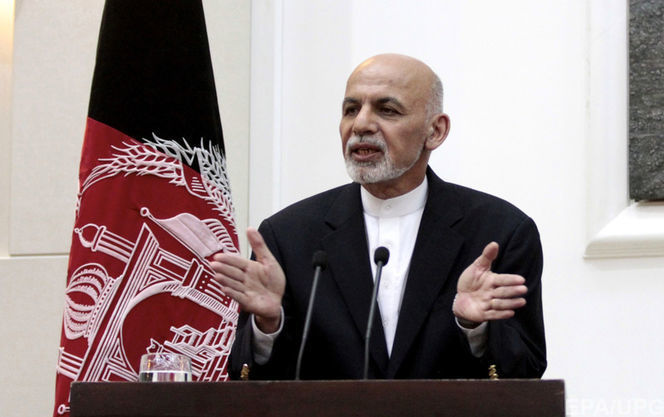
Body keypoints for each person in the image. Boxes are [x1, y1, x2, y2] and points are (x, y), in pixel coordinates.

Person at [210, 53, 546, 380]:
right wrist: (268, 326)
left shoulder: (500, 233)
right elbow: (248, 381)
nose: (361, 125)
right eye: (351, 109)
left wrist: (475, 327)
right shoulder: (287, 237)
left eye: (387, 110)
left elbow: (527, 371)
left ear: (435, 131)